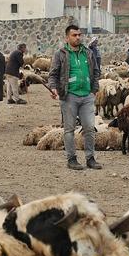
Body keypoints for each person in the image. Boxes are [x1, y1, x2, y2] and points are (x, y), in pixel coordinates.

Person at [48, 24, 102, 170]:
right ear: (67, 37)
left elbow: (96, 72)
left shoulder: (88, 53)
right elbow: (53, 74)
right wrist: (53, 88)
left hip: (87, 96)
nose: (78, 37)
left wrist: (94, 89)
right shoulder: (61, 54)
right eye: (74, 35)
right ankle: (71, 158)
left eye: (79, 35)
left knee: (90, 128)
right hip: (69, 96)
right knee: (69, 129)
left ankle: (90, 158)